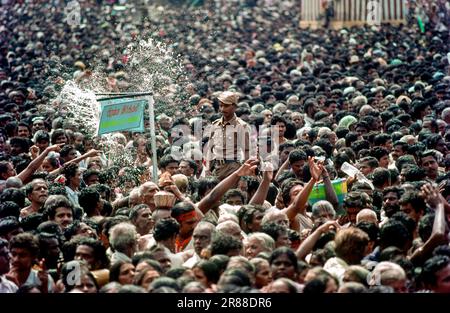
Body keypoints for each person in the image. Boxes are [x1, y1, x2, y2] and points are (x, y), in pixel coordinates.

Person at [205, 91, 254, 181]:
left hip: (233, 168)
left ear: (234, 106)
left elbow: (247, 151)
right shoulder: (215, 125)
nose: (223, 109)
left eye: (226, 106)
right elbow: (210, 149)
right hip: (217, 168)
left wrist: (244, 174)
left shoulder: (241, 126)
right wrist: (208, 168)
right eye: (221, 106)